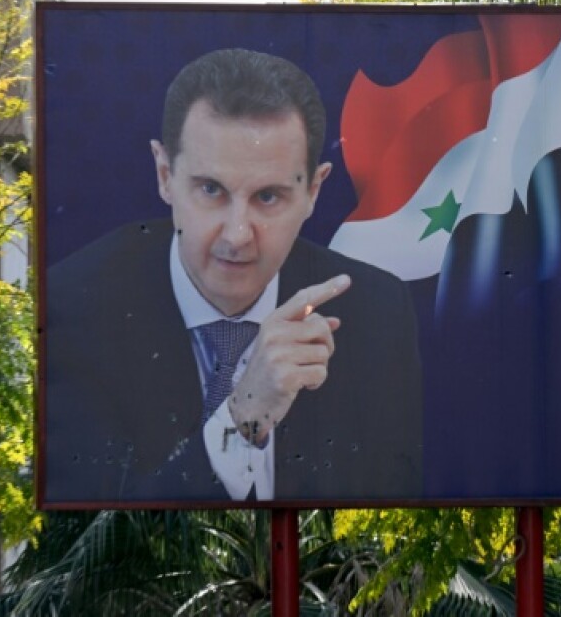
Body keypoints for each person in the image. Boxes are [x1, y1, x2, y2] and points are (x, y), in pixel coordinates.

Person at [42, 49, 422, 504]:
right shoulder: (72, 308)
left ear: (313, 192)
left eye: (268, 196)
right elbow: (101, 551)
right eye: (210, 190)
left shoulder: (378, 314)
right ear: (165, 176)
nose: (238, 235)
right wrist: (244, 418)